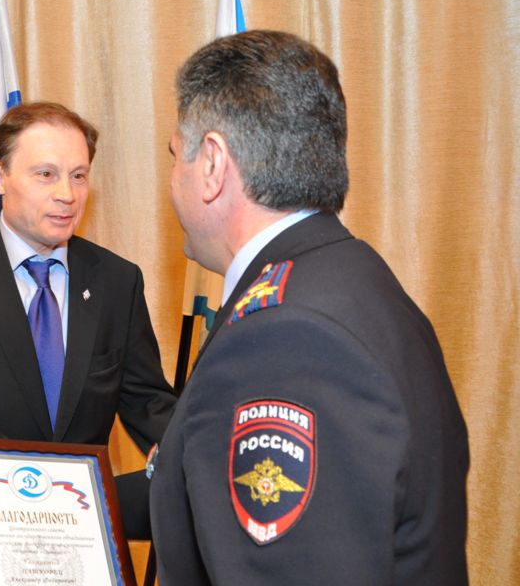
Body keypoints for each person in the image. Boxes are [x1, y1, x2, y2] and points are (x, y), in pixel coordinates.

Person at [149, 30, 469, 584]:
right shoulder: (352, 276)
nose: (173, 181)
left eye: (176, 157)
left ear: (213, 165)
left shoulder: (284, 338)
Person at [0, 101, 178, 585]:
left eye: (79, 176)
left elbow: (146, 398)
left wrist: (191, 445)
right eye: (46, 174)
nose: (67, 194)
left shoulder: (116, 281)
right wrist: (38, 488)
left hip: (82, 538)